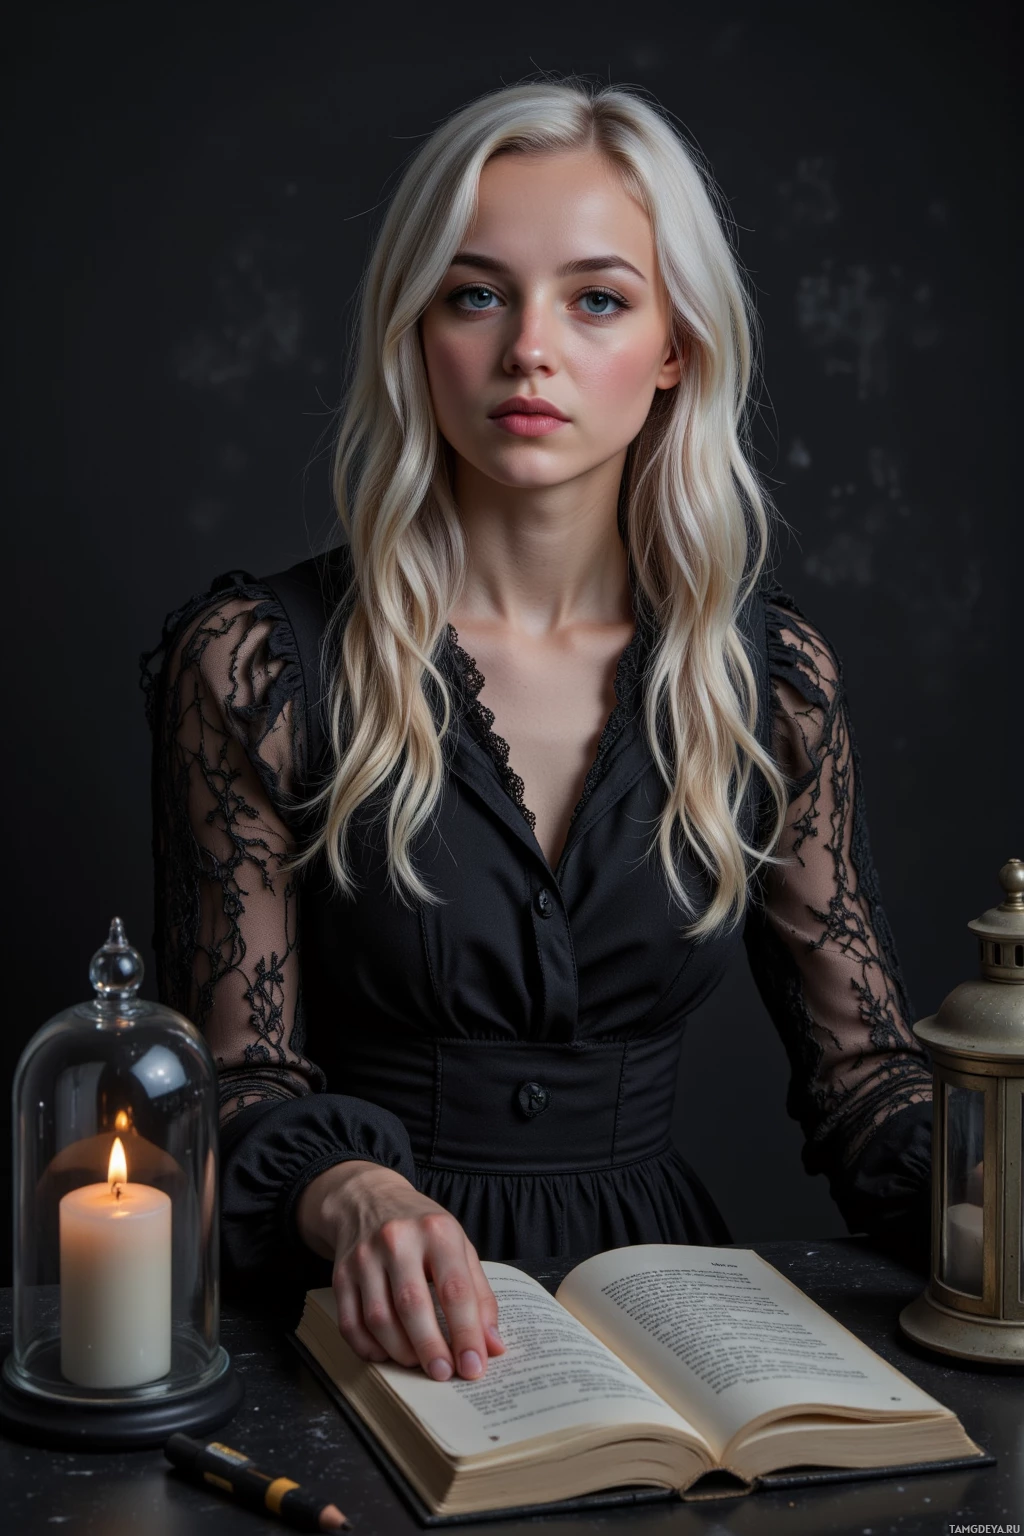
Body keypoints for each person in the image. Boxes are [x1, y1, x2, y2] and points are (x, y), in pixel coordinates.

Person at [141, 78, 932, 1388]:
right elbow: (230, 1088)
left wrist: (991, 1195)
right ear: (416, 330)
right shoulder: (255, 665)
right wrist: (349, 1196)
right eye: (476, 293)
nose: (528, 350)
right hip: (363, 1321)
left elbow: (868, 1086)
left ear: (676, 343)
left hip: (675, 1328)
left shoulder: (769, 685)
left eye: (598, 298)